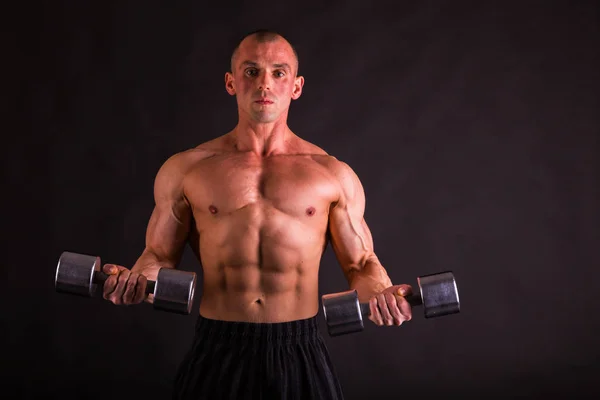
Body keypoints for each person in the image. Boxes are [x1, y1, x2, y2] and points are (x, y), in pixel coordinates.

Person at [101, 29, 414, 400]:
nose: (264, 83)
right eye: (251, 71)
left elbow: (361, 264)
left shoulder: (332, 174)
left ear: (296, 87)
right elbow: (158, 257)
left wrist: (380, 293)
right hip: (218, 347)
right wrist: (138, 282)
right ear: (231, 82)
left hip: (298, 347)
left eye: (278, 72)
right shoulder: (187, 169)